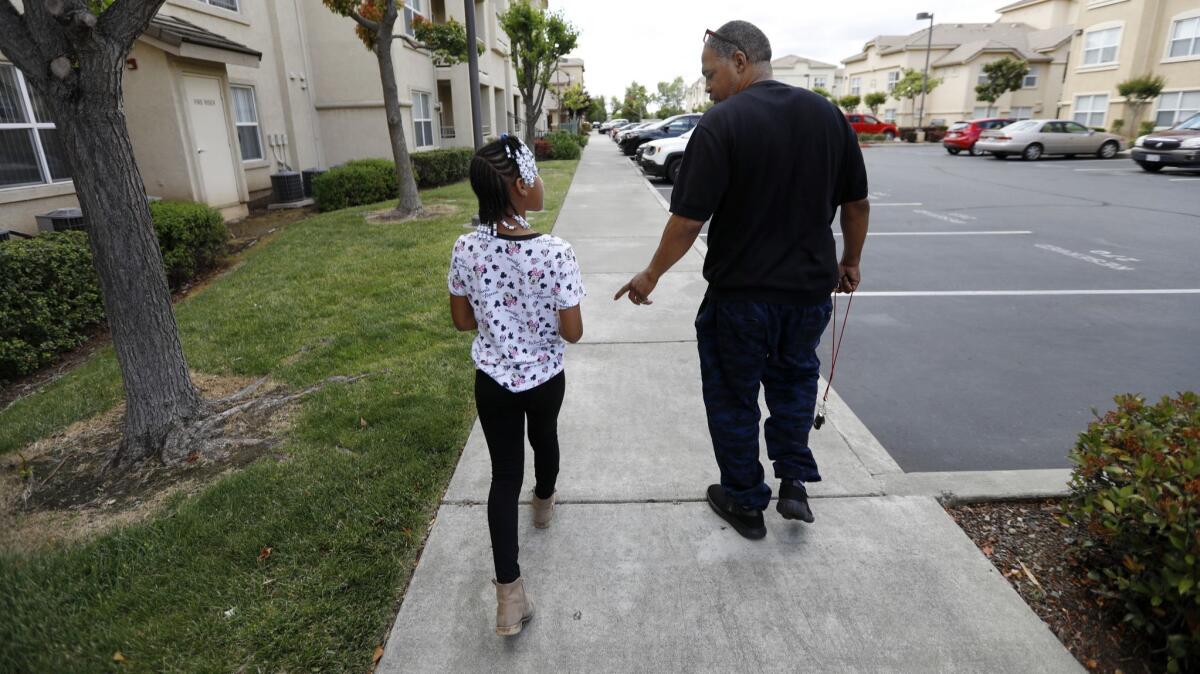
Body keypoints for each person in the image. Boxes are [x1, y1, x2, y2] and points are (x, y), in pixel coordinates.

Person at [615, 20, 870, 540]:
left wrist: (651, 274)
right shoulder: (828, 116)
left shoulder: (722, 123)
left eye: (710, 74)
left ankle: (746, 501)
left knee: (733, 398)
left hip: (740, 301)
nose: (707, 86)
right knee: (796, 382)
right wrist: (852, 261)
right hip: (807, 296)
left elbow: (688, 221)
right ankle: (794, 480)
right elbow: (857, 202)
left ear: (739, 61)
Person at [448, 135, 585, 635]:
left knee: (503, 476)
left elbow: (463, 322)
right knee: (543, 437)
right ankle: (544, 503)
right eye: (537, 175)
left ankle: (509, 597)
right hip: (544, 378)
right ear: (524, 186)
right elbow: (572, 331)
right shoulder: (556, 253)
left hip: (492, 381)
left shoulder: (466, 247)